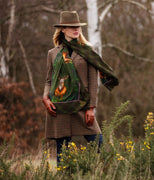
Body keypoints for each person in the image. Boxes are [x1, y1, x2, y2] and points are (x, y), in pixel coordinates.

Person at [42, 11, 118, 164]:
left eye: (77, 26)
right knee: (62, 153)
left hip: (82, 107)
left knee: (99, 144)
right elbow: (49, 80)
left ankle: (107, 173)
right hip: (59, 107)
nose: (76, 29)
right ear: (63, 29)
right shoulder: (52, 53)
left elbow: (93, 82)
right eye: (71, 27)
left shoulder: (87, 52)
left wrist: (91, 108)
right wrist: (45, 97)